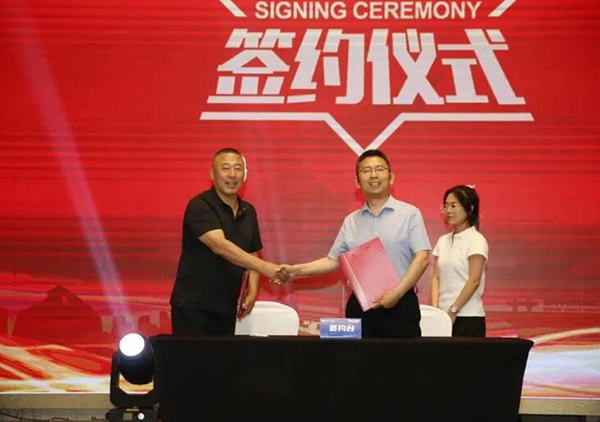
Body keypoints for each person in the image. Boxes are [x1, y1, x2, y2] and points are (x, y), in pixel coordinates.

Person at [277, 150, 431, 338]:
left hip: (400, 305)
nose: (373, 175)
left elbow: (422, 258)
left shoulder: (410, 214)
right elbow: (333, 261)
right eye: (366, 171)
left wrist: (396, 294)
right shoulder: (351, 221)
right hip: (361, 306)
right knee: (358, 357)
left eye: (379, 169)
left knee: (402, 357)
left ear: (391, 177)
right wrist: (295, 271)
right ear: (357, 182)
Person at [170, 148, 286, 336]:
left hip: (226, 306)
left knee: (223, 356)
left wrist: (252, 291)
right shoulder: (200, 205)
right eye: (225, 168)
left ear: (244, 174)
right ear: (212, 173)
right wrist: (268, 269)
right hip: (194, 307)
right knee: (192, 356)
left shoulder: (248, 211)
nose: (232, 175)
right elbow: (220, 246)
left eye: (238, 169)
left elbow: (252, 252)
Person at [430, 185, 488, 337]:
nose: (448, 210)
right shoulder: (443, 240)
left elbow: (474, 281)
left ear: (470, 208)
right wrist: (436, 311)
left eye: (454, 206)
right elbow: (436, 277)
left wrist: (454, 309)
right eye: (446, 206)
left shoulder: (476, 240)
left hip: (468, 317)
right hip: (443, 317)